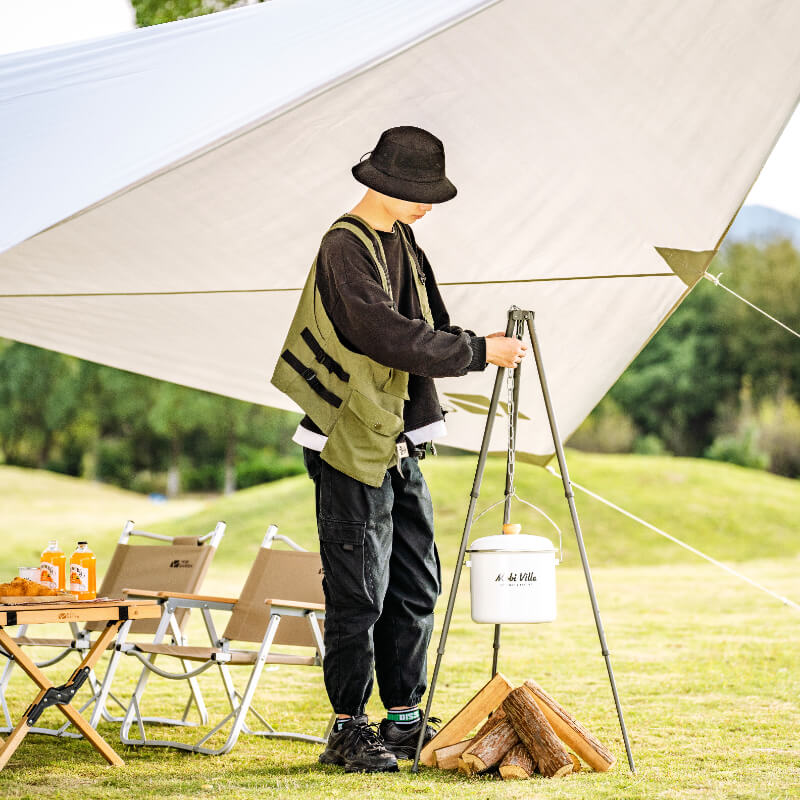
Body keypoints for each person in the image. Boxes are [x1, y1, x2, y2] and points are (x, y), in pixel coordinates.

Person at [271, 125, 527, 773]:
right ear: (380, 182)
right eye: (418, 191)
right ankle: (347, 730)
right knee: (360, 590)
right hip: (349, 441)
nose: (428, 203)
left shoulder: (402, 239)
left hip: (396, 439)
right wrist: (475, 353)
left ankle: (404, 719)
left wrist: (473, 340)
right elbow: (383, 333)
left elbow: (425, 323)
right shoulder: (344, 247)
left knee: (415, 581)